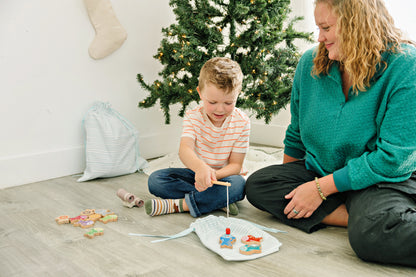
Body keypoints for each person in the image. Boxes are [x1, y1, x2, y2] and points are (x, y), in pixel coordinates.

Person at [245, 0, 416, 267]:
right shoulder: (308, 64)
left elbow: (393, 159)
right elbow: (296, 134)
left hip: (383, 178)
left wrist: (319, 189)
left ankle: (370, 218)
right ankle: (360, 215)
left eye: (326, 27)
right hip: (324, 171)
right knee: (258, 185)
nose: (319, 37)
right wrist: (292, 184)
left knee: (369, 238)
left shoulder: (405, 66)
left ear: (357, 25)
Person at [145, 57, 250, 218]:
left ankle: (180, 205)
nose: (220, 109)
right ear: (200, 93)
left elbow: (236, 165)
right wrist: (201, 170)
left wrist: (212, 176)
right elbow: (185, 149)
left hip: (223, 177)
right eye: (213, 102)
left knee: (240, 184)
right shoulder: (193, 116)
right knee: (156, 180)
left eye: (228, 103)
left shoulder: (242, 122)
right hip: (196, 174)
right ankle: (217, 201)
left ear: (238, 95)